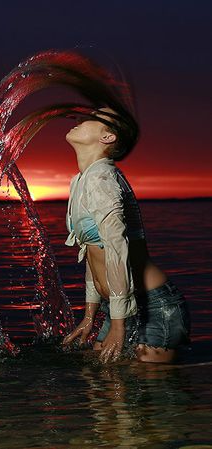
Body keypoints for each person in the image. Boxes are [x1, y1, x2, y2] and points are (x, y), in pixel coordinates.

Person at [62, 108, 190, 363]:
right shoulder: (82, 180)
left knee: (150, 399)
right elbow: (93, 252)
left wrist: (118, 326)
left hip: (152, 307)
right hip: (118, 307)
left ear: (107, 137)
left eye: (94, 117)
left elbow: (116, 250)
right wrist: (90, 314)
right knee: (100, 390)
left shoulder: (102, 179)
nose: (80, 119)